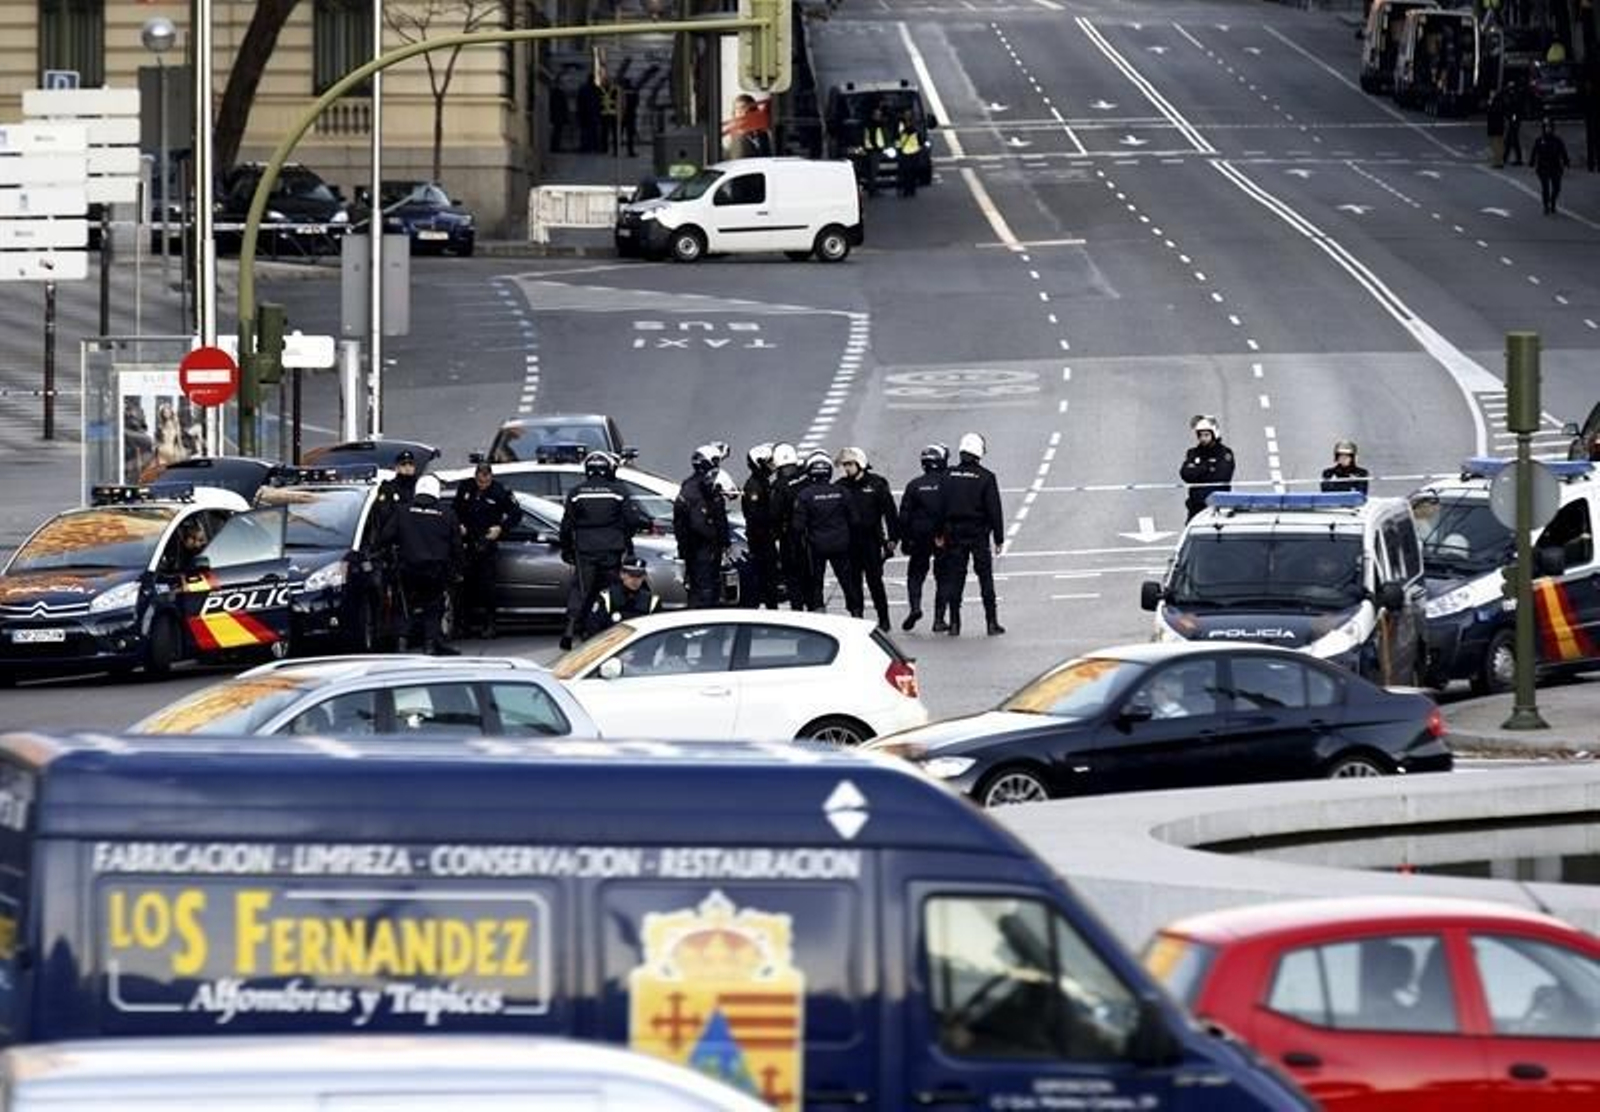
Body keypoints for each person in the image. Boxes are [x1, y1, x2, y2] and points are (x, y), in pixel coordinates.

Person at [559, 450, 650, 650]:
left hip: (585, 550)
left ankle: (570, 630)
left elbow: (566, 526)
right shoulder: (618, 491)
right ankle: (610, 628)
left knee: (581, 590)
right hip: (612, 549)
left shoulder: (576, 493)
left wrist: (567, 549)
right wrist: (626, 535)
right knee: (612, 589)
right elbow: (632, 519)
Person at [938, 433, 1005, 637]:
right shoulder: (986, 477)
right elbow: (994, 509)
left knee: (955, 579)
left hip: (953, 534)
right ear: (979, 453)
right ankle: (991, 623)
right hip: (978, 534)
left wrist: (939, 532)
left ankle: (955, 623)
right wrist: (999, 538)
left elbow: (940, 506)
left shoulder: (947, 475)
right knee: (985, 578)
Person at [389, 474, 463, 655]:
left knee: (404, 605)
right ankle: (430, 644)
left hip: (408, 568)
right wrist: (458, 569)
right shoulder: (448, 514)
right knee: (433, 606)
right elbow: (456, 546)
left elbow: (386, 537)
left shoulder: (402, 511)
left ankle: (401, 642)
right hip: (435, 570)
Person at [452, 460, 522, 639]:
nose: (482, 483)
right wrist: (458, 525)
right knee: (464, 586)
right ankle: (463, 624)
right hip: (467, 542)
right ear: (476, 476)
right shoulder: (466, 488)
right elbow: (454, 510)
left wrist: (501, 528)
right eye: (480, 480)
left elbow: (516, 514)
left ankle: (490, 624)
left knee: (487, 586)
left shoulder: (500, 491)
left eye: (486, 479)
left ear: (490, 476)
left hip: (487, 543)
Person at [836, 446, 900, 630]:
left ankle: (884, 619)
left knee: (875, 582)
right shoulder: (841, 486)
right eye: (844, 465)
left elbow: (890, 513)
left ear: (860, 464)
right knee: (853, 583)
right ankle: (857, 618)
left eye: (849, 464)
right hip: (849, 543)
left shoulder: (877, 484)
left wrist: (892, 538)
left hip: (872, 541)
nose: (846, 468)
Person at [794, 454, 861, 614]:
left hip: (816, 546)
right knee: (847, 581)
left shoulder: (805, 495)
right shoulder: (841, 492)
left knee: (816, 582)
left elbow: (798, 526)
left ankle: (819, 613)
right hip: (841, 544)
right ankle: (856, 611)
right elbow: (855, 520)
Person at [899, 443, 949, 632]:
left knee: (915, 574)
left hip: (918, 537)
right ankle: (939, 619)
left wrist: (905, 539)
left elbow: (904, 515)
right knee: (943, 577)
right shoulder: (948, 483)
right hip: (941, 537)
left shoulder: (914, 485)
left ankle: (915, 608)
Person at [673, 445, 730, 608]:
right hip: (704, 549)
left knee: (696, 588)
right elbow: (703, 522)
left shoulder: (687, 485)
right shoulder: (705, 488)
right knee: (706, 591)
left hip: (690, 549)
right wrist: (720, 540)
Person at [768, 442, 811, 610]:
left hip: (791, 540)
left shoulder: (779, 487)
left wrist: (775, 534)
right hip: (812, 536)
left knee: (793, 580)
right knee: (812, 578)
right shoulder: (806, 478)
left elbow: (774, 515)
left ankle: (798, 613)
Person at [741, 442, 781, 609]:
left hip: (766, 539)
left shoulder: (763, 482)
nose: (772, 466)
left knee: (771, 578)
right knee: (764, 578)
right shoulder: (754, 486)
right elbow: (756, 516)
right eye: (768, 462)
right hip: (760, 541)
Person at [586, 554, 659, 636]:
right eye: (632, 575)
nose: (635, 580)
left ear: (644, 577)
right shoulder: (608, 597)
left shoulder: (651, 601)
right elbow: (593, 627)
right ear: (622, 574)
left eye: (639, 576)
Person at [1180, 415, 1236, 521]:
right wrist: (1208, 468)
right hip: (1196, 507)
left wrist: (1198, 470)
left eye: (1206, 435)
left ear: (1214, 434)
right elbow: (1186, 474)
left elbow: (1223, 476)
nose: (1203, 438)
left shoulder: (1225, 453)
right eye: (1200, 435)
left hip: (1218, 506)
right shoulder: (1192, 453)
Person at [1530, 119, 1571, 215]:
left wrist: (1566, 162)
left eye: (1549, 127)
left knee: (1557, 188)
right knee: (1545, 187)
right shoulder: (1539, 140)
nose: (1548, 129)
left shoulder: (1557, 140)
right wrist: (1532, 162)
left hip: (1555, 166)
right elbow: (1534, 152)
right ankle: (1546, 206)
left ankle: (1553, 201)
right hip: (1543, 166)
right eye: (1546, 127)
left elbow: (1563, 152)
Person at [894, 108, 923, 198]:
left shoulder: (914, 126)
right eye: (906, 114)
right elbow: (898, 137)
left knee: (911, 172)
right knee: (906, 172)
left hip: (912, 152)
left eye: (908, 114)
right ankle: (907, 189)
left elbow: (919, 139)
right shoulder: (901, 125)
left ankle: (910, 189)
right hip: (906, 153)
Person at [1503, 78, 1524, 165]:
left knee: (1513, 139)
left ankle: (1517, 158)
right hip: (1512, 119)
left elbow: (1516, 110)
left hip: (1515, 119)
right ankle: (1505, 157)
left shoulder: (1516, 96)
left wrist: (1513, 119)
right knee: (1509, 139)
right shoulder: (1509, 95)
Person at [1486, 90, 1507, 168]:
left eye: (1491, 93)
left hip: (1494, 126)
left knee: (1495, 144)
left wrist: (1489, 104)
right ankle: (1500, 160)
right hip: (1500, 126)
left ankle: (1497, 162)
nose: (1490, 95)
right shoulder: (1501, 102)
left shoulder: (1495, 103)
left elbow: (1491, 113)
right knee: (1500, 144)